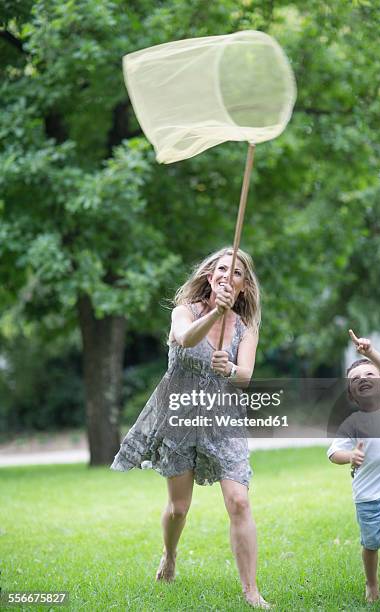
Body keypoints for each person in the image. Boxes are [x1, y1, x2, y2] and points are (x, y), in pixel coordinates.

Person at [111, 246, 270, 609]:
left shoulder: (246, 327)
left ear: (243, 286)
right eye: (221, 268)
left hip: (223, 417)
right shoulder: (185, 312)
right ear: (209, 274)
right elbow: (185, 339)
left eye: (236, 273)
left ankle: (251, 591)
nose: (226, 275)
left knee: (240, 500)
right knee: (179, 507)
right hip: (179, 413)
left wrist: (228, 369)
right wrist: (216, 312)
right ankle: (169, 554)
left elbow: (245, 376)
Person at [327, 329, 380, 605]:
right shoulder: (352, 424)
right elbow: (334, 453)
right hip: (368, 495)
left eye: (370, 375)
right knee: (371, 544)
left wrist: (369, 353)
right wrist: (350, 456)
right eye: (356, 380)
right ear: (352, 394)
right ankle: (371, 583)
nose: (363, 379)